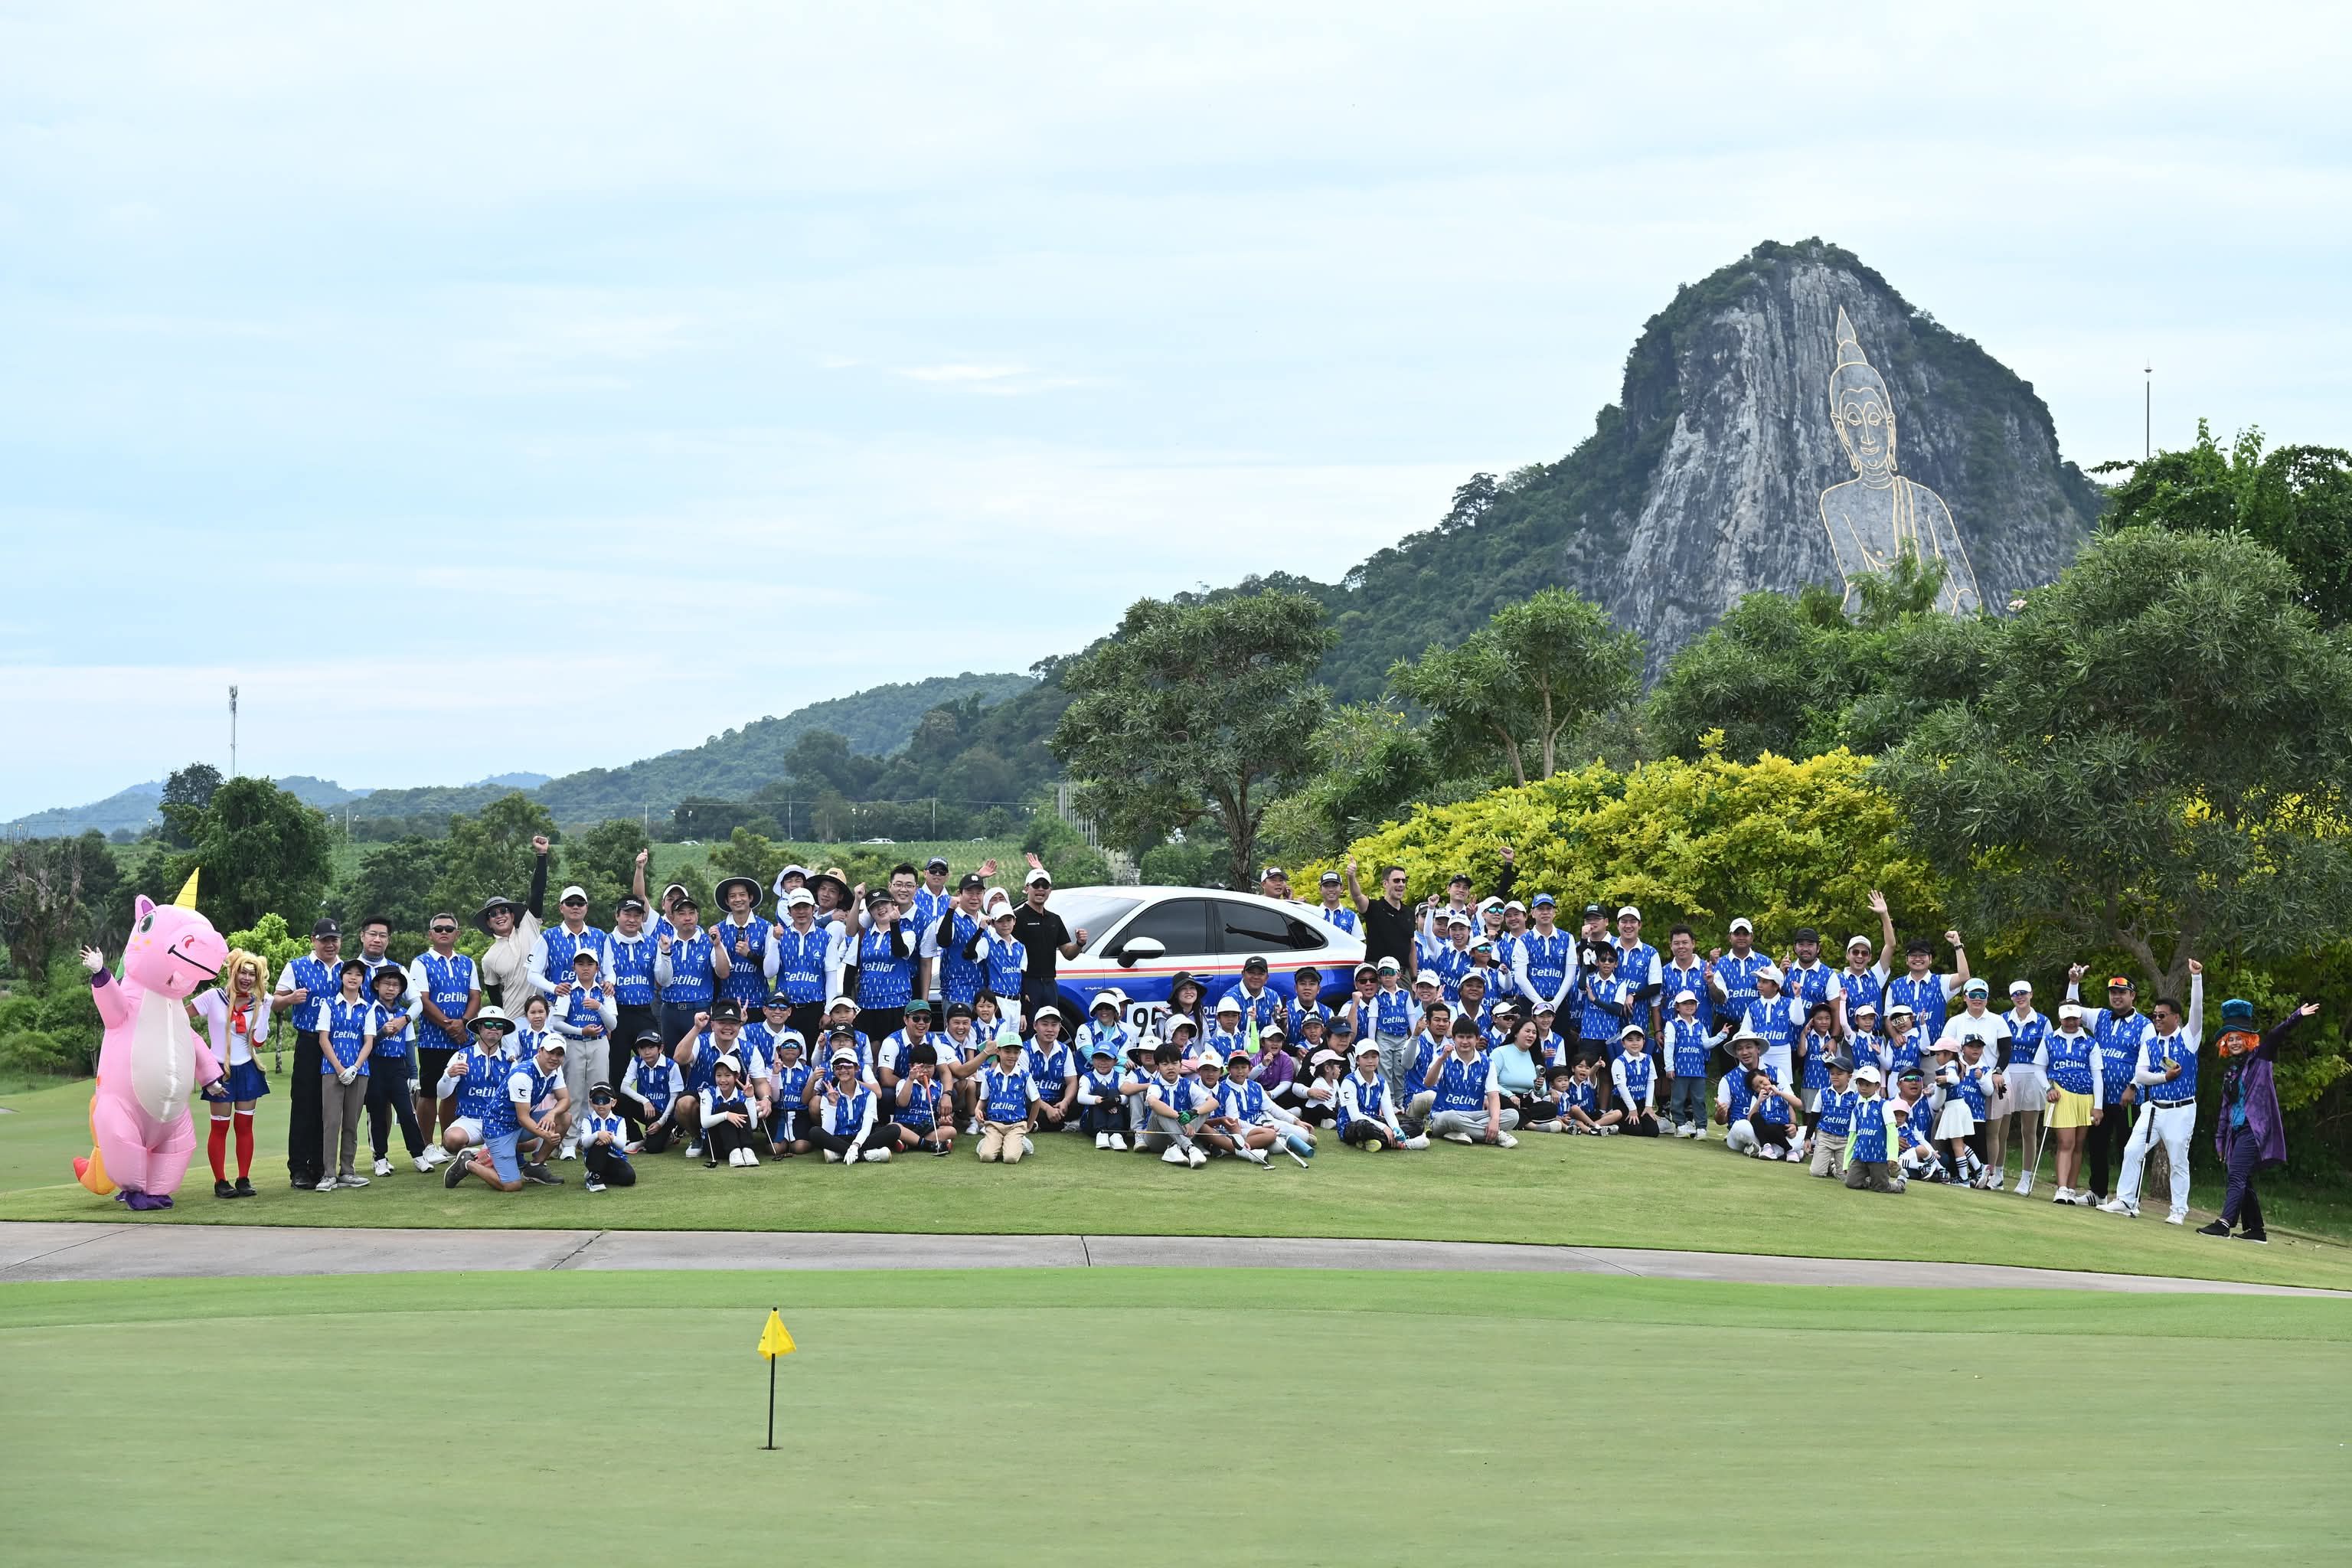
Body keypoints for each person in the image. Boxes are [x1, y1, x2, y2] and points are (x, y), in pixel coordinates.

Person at [2201, 995, 2320, 1243]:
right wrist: (2220, 1140)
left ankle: (2224, 1223)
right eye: (2230, 1038)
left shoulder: (2261, 1059)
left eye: (2238, 1038)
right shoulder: (2231, 1071)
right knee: (2243, 1177)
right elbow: (2225, 1109)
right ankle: (2256, 1230)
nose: (2234, 1042)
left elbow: (2276, 1036)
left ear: (2248, 1039)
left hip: (2254, 1129)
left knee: (2236, 1175)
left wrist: (2296, 1016)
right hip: (2236, 1131)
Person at [2104, 963, 2206, 1223]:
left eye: (2162, 1015)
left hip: (2181, 1108)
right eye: (2155, 1016)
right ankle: (2126, 1200)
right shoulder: (2150, 1044)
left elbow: (2197, 1011)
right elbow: (2140, 1075)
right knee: (2132, 1150)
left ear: (2176, 1018)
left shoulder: (2189, 1038)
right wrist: (2164, 1077)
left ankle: (2178, 1210)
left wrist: (2196, 978)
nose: (2157, 1019)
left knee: (2178, 1160)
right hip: (2153, 1107)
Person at [2066, 968, 2155, 1204]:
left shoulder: (2145, 1025)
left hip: (2129, 1099)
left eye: (2122, 992)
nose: (2117, 997)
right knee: (2097, 1146)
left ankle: (2129, 1198)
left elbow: (2148, 1061)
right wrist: (2074, 982)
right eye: (2113, 992)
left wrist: (2134, 1086)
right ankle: (2098, 1193)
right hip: (2101, 1097)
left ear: (2132, 995)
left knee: (2128, 1148)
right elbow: (2072, 1010)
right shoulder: (2101, 1016)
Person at [192, 949, 271, 1198]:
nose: (246, 978)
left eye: (252, 974)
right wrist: (203, 1067)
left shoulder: (257, 1004)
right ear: (233, 972)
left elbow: (258, 1041)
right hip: (218, 1070)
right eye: (242, 972)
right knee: (220, 1128)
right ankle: (220, 1181)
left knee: (245, 1126)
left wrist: (266, 1008)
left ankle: (244, 1178)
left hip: (247, 1068)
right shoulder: (213, 997)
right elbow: (179, 1018)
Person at [272, 916, 344, 1190]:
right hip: (309, 1042)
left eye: (334, 940)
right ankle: (299, 1169)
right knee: (304, 1105)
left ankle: (322, 1166)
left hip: (338, 1045)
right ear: (314, 940)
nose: (330, 945)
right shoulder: (296, 966)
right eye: (325, 940)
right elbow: (275, 1002)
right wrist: (290, 999)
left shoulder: (347, 969)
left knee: (329, 1107)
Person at [405, 913, 478, 1158]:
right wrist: (452, 1026)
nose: (444, 932)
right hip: (433, 1040)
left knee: (454, 1092)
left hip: (462, 1040)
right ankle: (426, 1145)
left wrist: (464, 1023)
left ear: (457, 934)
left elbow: (475, 997)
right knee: (429, 1092)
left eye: (449, 929)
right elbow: (423, 1000)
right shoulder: (421, 962)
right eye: (438, 929)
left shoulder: (467, 963)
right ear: (431, 934)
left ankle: (449, 1144)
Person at [363, 963, 432, 1178]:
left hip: (397, 1067)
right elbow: (367, 1044)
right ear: (377, 985)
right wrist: (383, 1032)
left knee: (406, 1113)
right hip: (375, 1066)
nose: (391, 988)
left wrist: (413, 1074)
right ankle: (380, 1158)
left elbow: (409, 1044)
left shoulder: (404, 1015)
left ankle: (419, 1155)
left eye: (396, 985)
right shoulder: (369, 1011)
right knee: (377, 1114)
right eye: (387, 984)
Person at [313, 958, 376, 1193]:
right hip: (332, 1071)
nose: (353, 977)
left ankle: (347, 1171)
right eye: (349, 973)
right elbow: (323, 1039)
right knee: (331, 1122)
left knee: (351, 1122)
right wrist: (340, 1069)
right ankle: (329, 1174)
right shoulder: (329, 1004)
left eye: (358, 974)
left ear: (362, 980)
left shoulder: (368, 1008)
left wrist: (355, 1067)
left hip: (360, 1072)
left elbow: (368, 1042)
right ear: (342, 977)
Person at [474, 835, 551, 1015]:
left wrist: (541, 855)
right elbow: (495, 996)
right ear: (488, 923)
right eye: (493, 914)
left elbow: (538, 891)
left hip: (545, 1015)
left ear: (512, 914)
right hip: (514, 1020)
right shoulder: (489, 958)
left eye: (503, 911)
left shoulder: (529, 924)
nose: (499, 916)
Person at [2035, 1002, 2103, 1206]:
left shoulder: (2090, 1043)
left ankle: (2072, 1190)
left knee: (2078, 1146)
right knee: (2067, 1143)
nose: (2071, 1022)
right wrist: (2048, 1089)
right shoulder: (2049, 1040)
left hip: (2085, 1097)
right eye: (2067, 1019)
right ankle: (2062, 1189)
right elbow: (2039, 1069)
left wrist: (2098, 1105)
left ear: (2080, 1019)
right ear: (2061, 1019)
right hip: (2061, 1095)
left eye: (2074, 1019)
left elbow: (2097, 1075)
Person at [550, 949, 616, 1158]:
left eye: (590, 964)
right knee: (574, 1093)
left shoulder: (604, 991)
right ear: (574, 967)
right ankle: (569, 1142)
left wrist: (599, 1008)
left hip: (599, 1043)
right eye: (580, 964)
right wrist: (581, 1031)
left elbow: (613, 1023)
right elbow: (557, 1023)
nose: (585, 967)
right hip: (574, 1044)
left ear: (597, 967)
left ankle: (596, 1137)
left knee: (599, 1092)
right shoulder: (568, 991)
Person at [1010, 860, 1087, 1024]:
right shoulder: (1017, 918)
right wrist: (1021, 992)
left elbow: (1068, 953)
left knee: (1050, 1028)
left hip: (1050, 983)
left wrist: (1079, 944)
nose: (1040, 889)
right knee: (1030, 1029)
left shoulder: (1055, 919)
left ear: (1050, 890)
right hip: (1028, 983)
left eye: (1045, 886)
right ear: (1026, 888)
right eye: (1036, 885)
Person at [1994, 980, 2051, 1197]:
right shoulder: (2002, 1020)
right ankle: (1998, 1174)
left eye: (2023, 993)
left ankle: (2026, 1178)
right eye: (2016, 994)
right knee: (2002, 1129)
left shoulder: (2043, 1021)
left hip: (2033, 1075)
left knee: (2029, 1130)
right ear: (2011, 998)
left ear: (2031, 994)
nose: (2020, 997)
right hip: (2007, 1073)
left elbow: (2047, 1052)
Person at [1423, 1022, 1519, 1148]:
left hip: (1474, 1116)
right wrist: (1441, 1060)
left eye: (1469, 1037)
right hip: (1443, 1115)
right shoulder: (1443, 1056)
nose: (1465, 1041)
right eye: (1461, 1037)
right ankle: (1497, 1136)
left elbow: (1493, 1095)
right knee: (1450, 1116)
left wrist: (1495, 1121)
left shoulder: (1487, 1063)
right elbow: (1428, 1083)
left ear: (1477, 1039)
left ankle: (1459, 1132)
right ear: (1454, 1038)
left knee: (1513, 1115)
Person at [652, 893, 724, 1046]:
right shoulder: (665, 943)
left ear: (697, 916)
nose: (688, 917)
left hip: (699, 1009)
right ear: (672, 918)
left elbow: (723, 973)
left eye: (692, 913)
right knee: (673, 1061)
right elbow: (662, 981)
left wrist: (717, 945)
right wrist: (665, 952)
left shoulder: (709, 941)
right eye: (682, 913)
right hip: (670, 1010)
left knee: (699, 1059)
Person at [532, 882, 610, 1005]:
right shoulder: (548, 937)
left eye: (580, 903)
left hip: (593, 1006)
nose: (575, 907)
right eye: (570, 903)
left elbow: (609, 971)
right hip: (557, 1005)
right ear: (561, 908)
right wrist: (554, 988)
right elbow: (532, 974)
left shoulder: (600, 936)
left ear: (586, 907)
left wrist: (610, 982)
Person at [1659, 988, 1722, 1139]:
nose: (1689, 1006)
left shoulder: (1699, 1025)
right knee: (1678, 1099)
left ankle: (1701, 1127)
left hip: (1697, 1070)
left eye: (1692, 1003)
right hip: (1680, 1069)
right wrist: (1669, 1067)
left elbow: (1706, 1044)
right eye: (1685, 1003)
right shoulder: (1672, 1024)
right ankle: (1680, 1125)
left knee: (1699, 1100)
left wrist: (1721, 1035)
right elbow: (1669, 1047)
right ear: (1677, 1007)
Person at [604, 893, 662, 1059]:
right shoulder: (605, 941)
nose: (632, 919)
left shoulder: (651, 943)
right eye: (627, 914)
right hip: (616, 1012)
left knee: (652, 1064)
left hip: (644, 1011)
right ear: (617, 915)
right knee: (616, 1069)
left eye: (637, 915)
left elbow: (661, 979)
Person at [1343, 858, 1419, 976]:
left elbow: (1412, 948)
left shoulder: (1409, 913)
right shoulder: (1373, 907)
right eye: (1396, 880)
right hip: (1377, 974)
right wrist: (1351, 876)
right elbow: (1357, 896)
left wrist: (1414, 978)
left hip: (1403, 976)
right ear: (1385, 884)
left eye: (1403, 881)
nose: (1401, 884)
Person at [508, 1033, 570, 1180]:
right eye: (550, 1052)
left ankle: (535, 1167)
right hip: (501, 1128)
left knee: (564, 1117)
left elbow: (566, 1100)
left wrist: (552, 1113)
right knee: (511, 1185)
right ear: (540, 1051)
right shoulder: (524, 1074)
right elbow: (523, 1118)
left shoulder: (556, 1069)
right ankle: (469, 1163)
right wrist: (546, 1135)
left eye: (560, 1054)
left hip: (520, 1124)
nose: (555, 1058)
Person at [1138, 1050, 1209, 1168]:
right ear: (1158, 1068)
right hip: (1156, 1139)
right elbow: (1153, 1102)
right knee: (1159, 1109)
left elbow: (1213, 1102)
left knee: (1204, 1109)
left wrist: (1193, 1113)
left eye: (1174, 1063)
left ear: (1181, 1066)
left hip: (1180, 1134)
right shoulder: (1155, 1085)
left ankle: (1174, 1148)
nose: (1170, 1068)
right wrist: (1181, 1118)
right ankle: (1191, 1149)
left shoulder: (1188, 1084)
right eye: (1165, 1064)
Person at [620, 1030, 688, 1153]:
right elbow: (624, 1087)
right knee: (618, 1100)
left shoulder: (671, 1065)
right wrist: (645, 1101)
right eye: (642, 1048)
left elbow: (674, 1097)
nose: (647, 1052)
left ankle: (668, 1135)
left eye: (651, 1047)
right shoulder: (636, 1062)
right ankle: (637, 1139)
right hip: (647, 1110)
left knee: (653, 1148)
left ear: (660, 1048)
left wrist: (661, 1123)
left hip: (665, 1114)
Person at [974, 1036, 1038, 1164]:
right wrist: (977, 1110)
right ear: (998, 1051)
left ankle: (1020, 1141)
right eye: (1007, 1051)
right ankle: (992, 1142)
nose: (1012, 1055)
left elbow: (1036, 1101)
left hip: (1016, 1125)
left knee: (1010, 1159)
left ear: (1020, 1053)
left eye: (1016, 1052)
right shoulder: (989, 1075)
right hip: (994, 1124)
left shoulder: (1024, 1076)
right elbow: (983, 1099)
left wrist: (1029, 1126)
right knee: (986, 1157)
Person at [1338, 1042, 1414, 1149]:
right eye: (1365, 1057)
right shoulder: (1349, 1082)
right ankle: (1402, 1143)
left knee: (1417, 1125)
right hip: (1351, 1125)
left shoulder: (1382, 1082)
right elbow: (1355, 1116)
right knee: (1363, 1127)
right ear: (1357, 1060)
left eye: (1374, 1057)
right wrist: (1384, 1128)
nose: (1370, 1061)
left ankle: (1375, 1141)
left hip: (1375, 1121)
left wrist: (1396, 1128)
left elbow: (1389, 1113)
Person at [1842, 1066, 1899, 1194]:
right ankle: (1871, 1181)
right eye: (1860, 1084)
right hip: (1860, 1155)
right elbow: (1852, 1135)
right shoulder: (1856, 1108)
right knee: (1851, 1183)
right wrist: (1846, 1162)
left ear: (1877, 1086)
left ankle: (1900, 1184)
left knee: (1881, 1187)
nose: (1863, 1088)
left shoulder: (1883, 1105)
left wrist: (1892, 1155)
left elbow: (1891, 1131)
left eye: (1868, 1085)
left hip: (1879, 1155)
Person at [699, 1056, 763, 1169]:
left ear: (737, 1076)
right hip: (716, 1147)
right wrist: (726, 1115)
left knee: (739, 1106)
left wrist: (750, 1097)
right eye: (719, 1075)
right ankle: (734, 1152)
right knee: (723, 1107)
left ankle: (748, 1151)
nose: (723, 1080)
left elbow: (753, 1125)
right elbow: (704, 1122)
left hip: (742, 1147)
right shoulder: (708, 1093)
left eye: (727, 1075)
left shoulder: (742, 1095)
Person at [578, 1084, 635, 1192]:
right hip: (593, 1158)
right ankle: (595, 1179)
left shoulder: (620, 1120)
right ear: (591, 1103)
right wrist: (598, 1135)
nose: (601, 1104)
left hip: (615, 1158)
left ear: (613, 1102)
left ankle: (598, 1176)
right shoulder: (587, 1121)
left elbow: (622, 1145)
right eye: (596, 1100)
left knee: (629, 1177)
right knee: (601, 1143)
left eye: (605, 1100)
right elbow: (585, 1143)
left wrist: (611, 1137)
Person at [1810, 1058, 1858, 1179]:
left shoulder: (1855, 1097)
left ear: (1850, 1076)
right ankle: (1829, 1164)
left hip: (1845, 1140)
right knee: (1817, 1173)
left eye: (1840, 1073)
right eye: (1832, 1073)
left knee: (1845, 1177)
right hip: (1825, 1136)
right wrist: (1807, 1138)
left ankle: (1832, 1167)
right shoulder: (1823, 1093)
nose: (1835, 1076)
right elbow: (1814, 1116)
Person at [1076, 1043, 1129, 1149]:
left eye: (1107, 1059)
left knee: (1114, 1092)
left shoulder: (1121, 1076)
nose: (1102, 1062)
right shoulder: (1087, 1077)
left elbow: (1127, 1098)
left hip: (1120, 1124)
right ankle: (1101, 1133)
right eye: (1099, 1058)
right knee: (1100, 1089)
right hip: (1091, 1125)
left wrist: (1114, 1100)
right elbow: (1080, 1097)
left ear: (1116, 1061)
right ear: (1092, 1059)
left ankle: (1116, 1135)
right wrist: (1101, 1101)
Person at [1609, 1025, 1661, 1136]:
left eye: (1638, 1039)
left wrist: (1648, 1106)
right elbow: (1621, 1087)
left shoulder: (1648, 1058)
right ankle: (1612, 1120)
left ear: (1644, 1041)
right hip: (1624, 1103)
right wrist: (1632, 1109)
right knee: (1635, 1131)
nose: (1635, 1043)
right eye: (1630, 1040)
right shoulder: (1619, 1062)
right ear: (1623, 1043)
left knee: (1653, 1132)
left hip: (1641, 1102)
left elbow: (1651, 1082)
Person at [1314, 871, 1360, 936]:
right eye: (1326, 886)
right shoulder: (1313, 914)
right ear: (1320, 889)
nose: (1331, 889)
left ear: (1341, 888)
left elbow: (1359, 944)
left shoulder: (1352, 916)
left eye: (1335, 886)